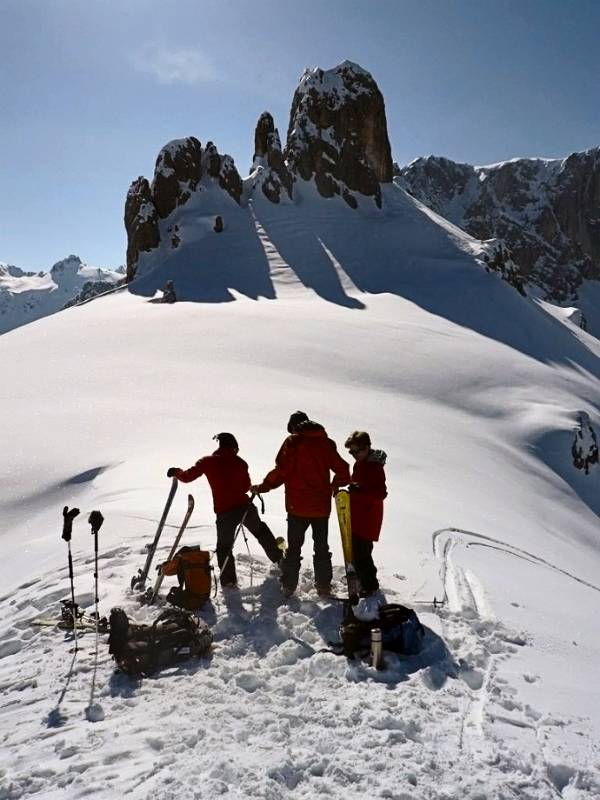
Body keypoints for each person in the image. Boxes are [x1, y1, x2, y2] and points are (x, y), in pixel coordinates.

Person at [252, 411, 351, 598]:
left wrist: (263, 487)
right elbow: (344, 470)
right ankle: (323, 586)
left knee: (294, 549)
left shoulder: (293, 443)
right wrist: (334, 486)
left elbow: (281, 471)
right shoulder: (326, 443)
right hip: (321, 507)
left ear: (294, 427)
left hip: (297, 507)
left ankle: (289, 586)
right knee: (321, 547)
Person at [167, 432, 283, 588]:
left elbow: (188, 477)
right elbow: (245, 487)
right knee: (261, 531)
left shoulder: (207, 462)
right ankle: (280, 560)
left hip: (225, 512)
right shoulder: (241, 463)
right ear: (234, 447)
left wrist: (176, 472)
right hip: (244, 508)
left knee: (224, 547)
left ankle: (229, 582)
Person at [343, 430, 387, 596]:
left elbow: (380, 493)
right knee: (356, 552)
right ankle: (363, 581)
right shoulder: (359, 464)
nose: (354, 454)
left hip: (368, 520)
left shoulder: (374, 467)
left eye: (357, 450)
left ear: (367, 447)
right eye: (351, 452)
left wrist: (359, 491)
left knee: (362, 555)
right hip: (357, 517)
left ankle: (370, 587)